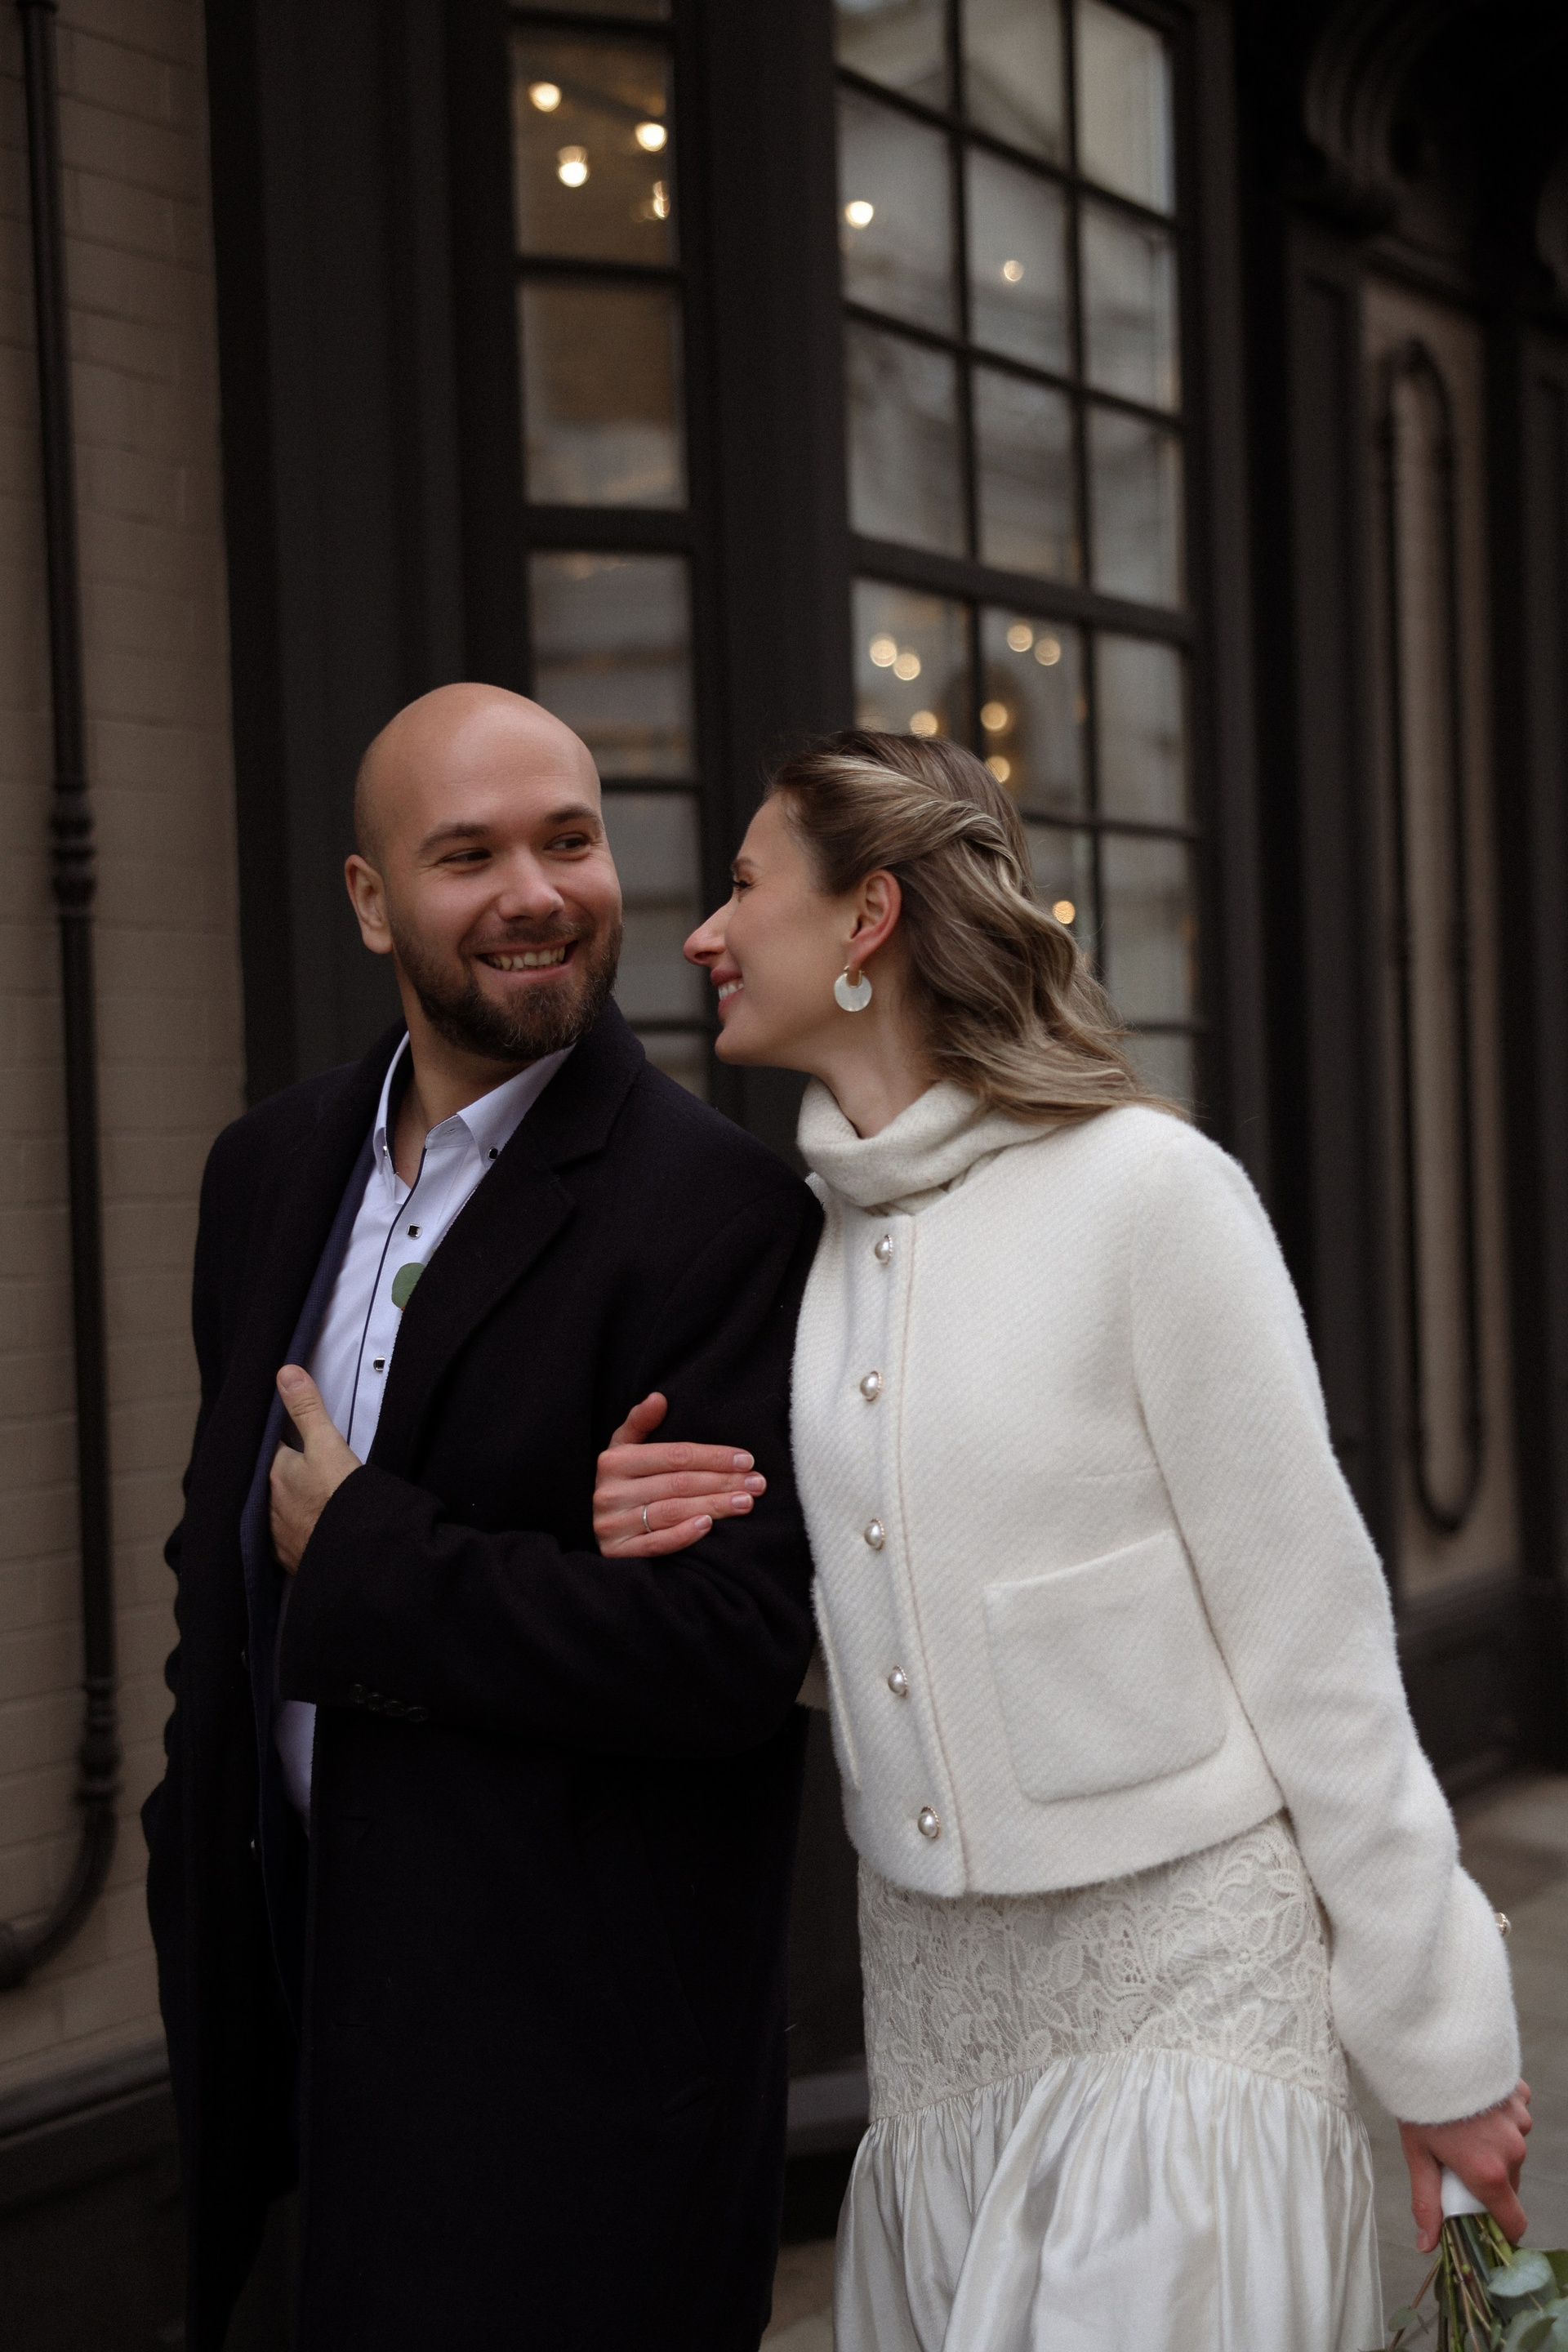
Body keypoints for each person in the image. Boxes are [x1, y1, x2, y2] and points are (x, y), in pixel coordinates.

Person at [590, 729, 1531, 2352]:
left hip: (1187, 2008)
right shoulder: (814, 1258)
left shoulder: (1149, 1193)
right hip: (940, 2030)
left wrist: (1441, 2043)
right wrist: (674, 1533)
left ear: (869, 915)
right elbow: (891, 1628)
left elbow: (1316, 1641)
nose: (704, 933)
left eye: (743, 885)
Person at [143, 684, 823, 2352]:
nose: (537, 893)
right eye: (469, 856)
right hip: (288, 2029)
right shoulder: (266, 1170)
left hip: (569, 2089)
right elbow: (214, 1562)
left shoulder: (722, 1216)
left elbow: (727, 1650)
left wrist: (367, 1559)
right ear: (372, 900)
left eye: (569, 841)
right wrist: (192, 1854)